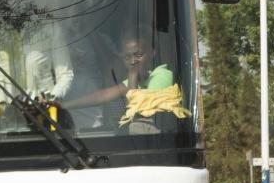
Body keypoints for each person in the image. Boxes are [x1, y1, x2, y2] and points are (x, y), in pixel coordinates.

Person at [58, 24, 188, 133]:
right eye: (127, 57)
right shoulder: (140, 79)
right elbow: (102, 95)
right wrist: (64, 105)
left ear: (153, 53)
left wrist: (132, 76)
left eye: (138, 55)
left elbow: (137, 107)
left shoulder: (162, 75)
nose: (133, 61)